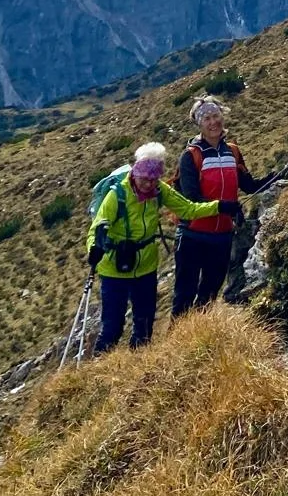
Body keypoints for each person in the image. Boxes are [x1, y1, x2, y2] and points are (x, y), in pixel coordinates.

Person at [87, 140, 236, 354]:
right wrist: (94, 247)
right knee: (112, 327)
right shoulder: (117, 195)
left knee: (144, 325)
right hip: (113, 269)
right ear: (135, 173)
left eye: (153, 180)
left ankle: (137, 365)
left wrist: (219, 206)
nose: (148, 185)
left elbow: (188, 209)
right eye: (144, 179)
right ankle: (99, 368)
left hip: (146, 267)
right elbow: (96, 228)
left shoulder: (159, 190)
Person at [171, 97, 263, 318]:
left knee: (209, 295)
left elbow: (249, 186)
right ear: (199, 124)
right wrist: (223, 207)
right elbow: (191, 198)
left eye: (216, 116)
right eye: (207, 119)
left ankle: (201, 334)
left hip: (221, 236)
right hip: (192, 235)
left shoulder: (233, 152)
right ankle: (177, 337)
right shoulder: (190, 156)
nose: (213, 122)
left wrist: (281, 175)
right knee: (184, 296)